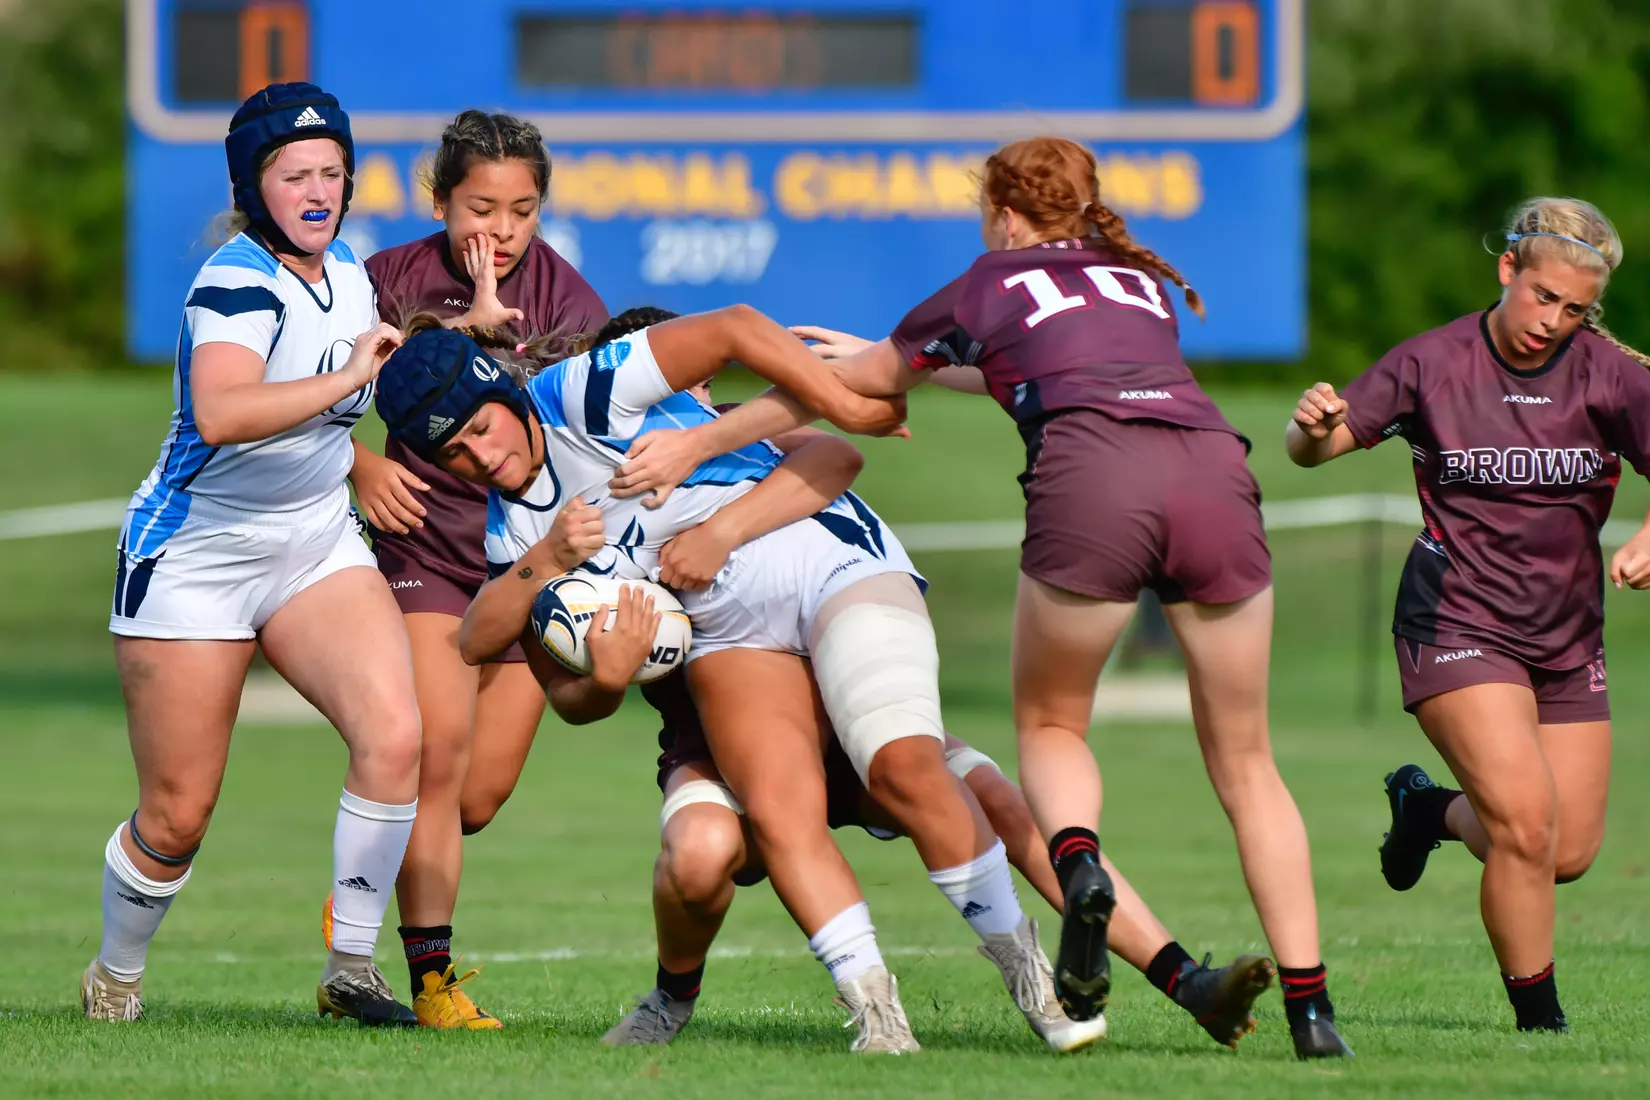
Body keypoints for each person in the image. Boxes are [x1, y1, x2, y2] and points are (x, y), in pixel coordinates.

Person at [607, 137, 1351, 1059]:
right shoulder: (1137, 280)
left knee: (1047, 732)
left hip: (1094, 485)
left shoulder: (987, 281)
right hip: (1214, 473)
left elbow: (846, 399)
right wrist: (887, 361)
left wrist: (700, 443)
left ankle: (1080, 870)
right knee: (1246, 762)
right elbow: (1025, 361)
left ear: (1002, 213)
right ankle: (1312, 1014)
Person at [373, 310, 1106, 1055]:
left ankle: (1040, 979)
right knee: (770, 819)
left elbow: (739, 332)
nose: (477, 455)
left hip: (829, 570)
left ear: (502, 390)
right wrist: (567, 590)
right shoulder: (515, 531)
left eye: (479, 428)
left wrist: (842, 407)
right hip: (734, 636)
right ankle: (878, 1019)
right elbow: (483, 643)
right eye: (452, 452)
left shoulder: (584, 394)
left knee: (911, 770)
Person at [86, 83, 421, 1027]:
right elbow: (227, 414)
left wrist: (368, 435)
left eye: (332, 172)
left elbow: (330, 405)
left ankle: (351, 968)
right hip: (194, 554)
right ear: (254, 184)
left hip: (312, 539)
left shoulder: (347, 270)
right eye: (294, 174)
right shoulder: (234, 280)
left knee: (395, 736)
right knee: (177, 816)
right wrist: (349, 376)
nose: (317, 189)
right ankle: (115, 975)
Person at [1286, 197, 1650, 1034]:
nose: (1552, 321)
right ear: (1507, 270)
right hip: (1454, 623)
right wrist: (1312, 429)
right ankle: (1541, 1026)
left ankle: (1428, 812)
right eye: (1541, 296)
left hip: (1566, 635)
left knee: (1565, 851)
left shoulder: (1608, 373)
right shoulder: (1432, 361)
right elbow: (1317, 449)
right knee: (1524, 825)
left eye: (1573, 308)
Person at [331, 109, 608, 1029]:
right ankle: (425, 984)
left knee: (475, 797)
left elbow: (586, 440)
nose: (499, 229)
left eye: (521, 211)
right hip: (426, 555)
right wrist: (359, 464)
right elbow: (305, 398)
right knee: (435, 761)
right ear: (441, 199)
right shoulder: (383, 281)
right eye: (479, 207)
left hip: (531, 566)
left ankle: (366, 884)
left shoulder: (570, 307)